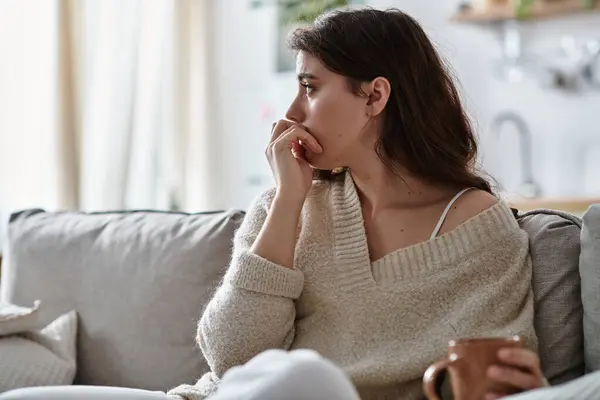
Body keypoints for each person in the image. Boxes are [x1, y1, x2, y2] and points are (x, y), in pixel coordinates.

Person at [3, 7, 600, 400]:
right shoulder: (288, 204)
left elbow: (491, 382)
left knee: (307, 380)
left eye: (310, 88)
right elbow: (232, 358)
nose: (290, 114)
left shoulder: (482, 230)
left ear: (375, 96)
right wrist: (288, 200)